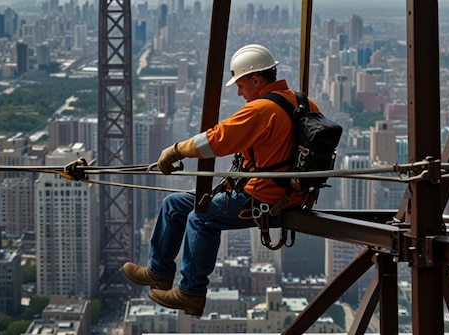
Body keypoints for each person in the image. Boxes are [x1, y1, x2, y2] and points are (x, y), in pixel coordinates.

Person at [121, 44, 320, 316]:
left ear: (255, 79)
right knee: (174, 204)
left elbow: (216, 139)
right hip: (291, 193)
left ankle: (191, 292)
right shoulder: (302, 101)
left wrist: (176, 150)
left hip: (265, 199)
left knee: (201, 217)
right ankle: (159, 273)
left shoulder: (262, 109)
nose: (239, 92)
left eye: (240, 85)